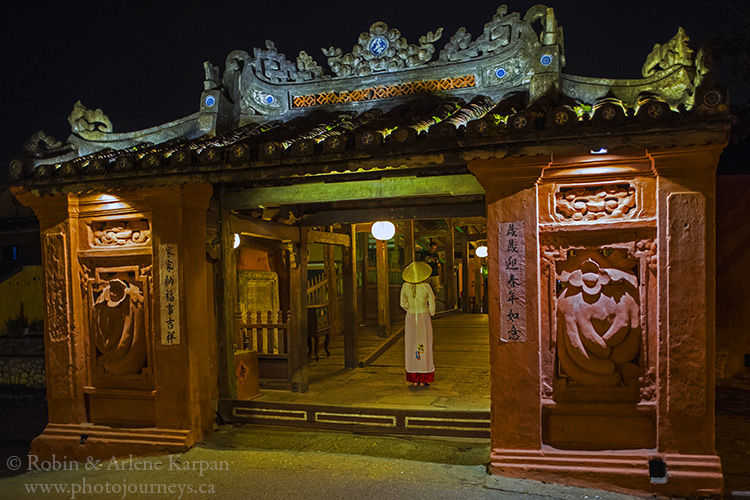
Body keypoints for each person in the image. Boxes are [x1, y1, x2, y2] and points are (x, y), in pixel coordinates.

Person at [400, 261, 436, 387]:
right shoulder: (426, 287)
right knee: (424, 343)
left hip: (410, 318)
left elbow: (402, 303)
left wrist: (410, 310)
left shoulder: (405, 286)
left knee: (411, 344)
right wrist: (430, 312)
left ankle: (414, 377)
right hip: (423, 317)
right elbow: (432, 304)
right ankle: (425, 376)